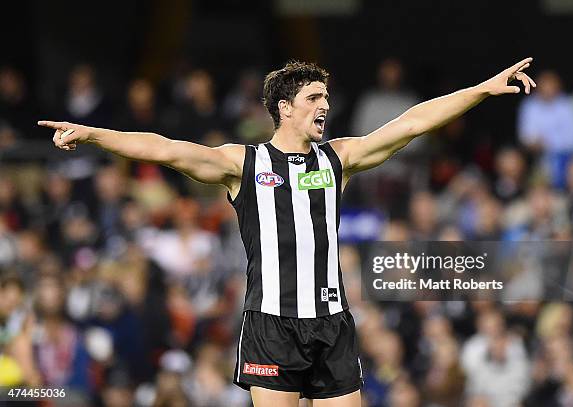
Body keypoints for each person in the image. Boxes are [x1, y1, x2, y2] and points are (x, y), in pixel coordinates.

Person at [38, 57, 536, 407]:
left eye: (326, 96)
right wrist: (93, 134)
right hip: (273, 325)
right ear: (284, 107)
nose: (325, 104)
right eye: (313, 96)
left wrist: (480, 90)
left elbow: (410, 124)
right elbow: (165, 148)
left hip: (332, 323)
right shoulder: (245, 162)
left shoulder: (339, 157)